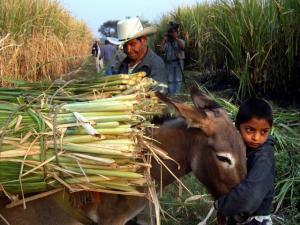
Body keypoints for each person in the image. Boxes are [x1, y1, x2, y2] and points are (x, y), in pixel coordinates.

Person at [215, 98, 275, 225]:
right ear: (237, 127)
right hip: (238, 215)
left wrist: (221, 205)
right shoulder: (240, 146)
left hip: (255, 219)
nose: (256, 138)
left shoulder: (263, 157)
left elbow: (250, 195)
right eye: (250, 130)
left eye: (264, 132)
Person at [107, 17, 168, 93]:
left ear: (144, 40)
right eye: (124, 45)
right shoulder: (123, 64)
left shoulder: (156, 63)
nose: (128, 50)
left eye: (132, 44)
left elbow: (158, 95)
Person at [160, 21, 185, 95]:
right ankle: (171, 94)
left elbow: (182, 47)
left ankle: (176, 94)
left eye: (173, 32)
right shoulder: (167, 43)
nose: (171, 34)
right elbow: (161, 51)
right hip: (169, 63)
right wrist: (163, 41)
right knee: (170, 80)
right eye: (170, 32)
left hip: (179, 62)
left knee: (178, 79)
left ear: (177, 33)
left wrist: (175, 38)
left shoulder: (180, 41)